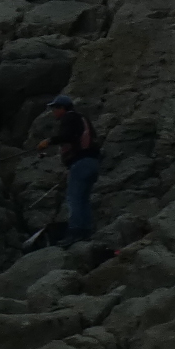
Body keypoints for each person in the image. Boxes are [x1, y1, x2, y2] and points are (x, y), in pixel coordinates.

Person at [40, 93, 103, 244]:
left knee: (74, 198)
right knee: (83, 199)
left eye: (55, 108)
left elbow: (66, 136)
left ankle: (75, 233)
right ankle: (86, 231)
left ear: (62, 108)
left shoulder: (69, 117)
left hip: (81, 163)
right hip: (92, 163)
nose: (53, 112)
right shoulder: (82, 118)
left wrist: (49, 141)